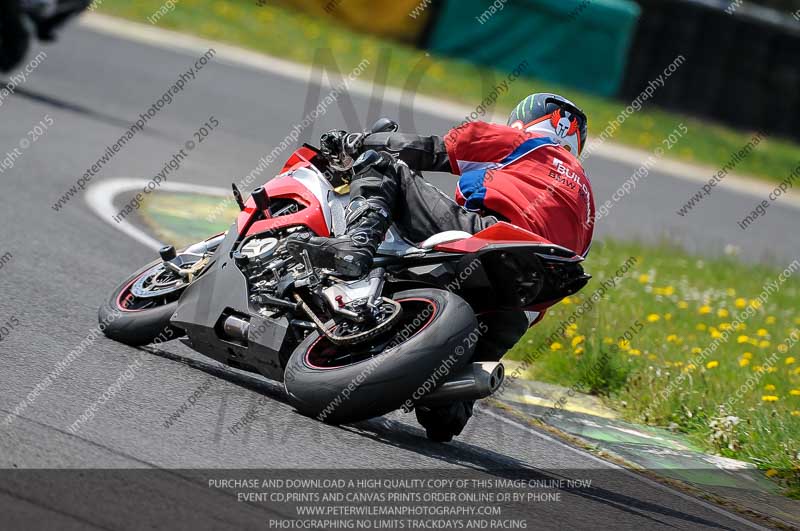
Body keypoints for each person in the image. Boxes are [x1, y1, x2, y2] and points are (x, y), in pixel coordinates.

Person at [288, 93, 595, 441]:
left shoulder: (531, 143)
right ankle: (449, 405)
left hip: (489, 240)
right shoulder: (587, 204)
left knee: (385, 166)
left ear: (528, 120)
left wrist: (363, 142)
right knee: (448, 415)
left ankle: (356, 244)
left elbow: (443, 147)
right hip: (524, 300)